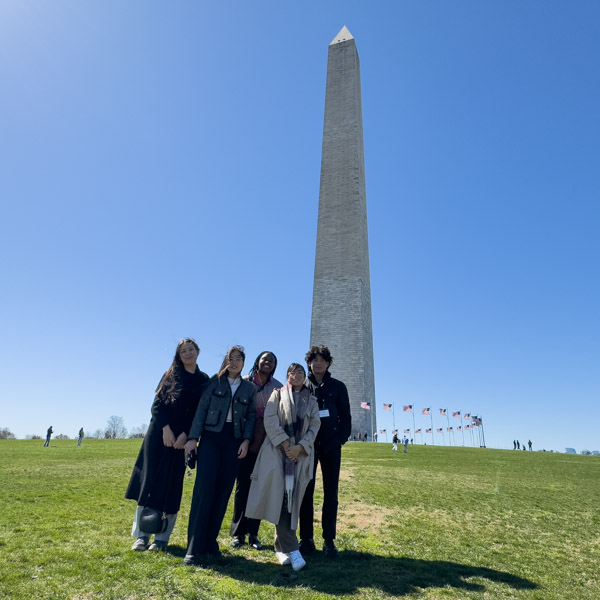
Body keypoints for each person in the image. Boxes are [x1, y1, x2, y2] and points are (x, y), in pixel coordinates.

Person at [125, 338, 209, 552]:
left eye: (191, 349)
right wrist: (165, 429)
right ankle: (141, 536)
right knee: (149, 484)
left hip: (182, 441)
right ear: (178, 355)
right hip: (158, 436)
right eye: (183, 351)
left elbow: (201, 413)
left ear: (198, 352)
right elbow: (156, 405)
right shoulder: (171, 374)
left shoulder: (203, 380)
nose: (188, 353)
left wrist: (187, 436)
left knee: (172, 486)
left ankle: (162, 538)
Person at [184, 346, 256, 566]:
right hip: (211, 439)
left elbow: (251, 416)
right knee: (204, 491)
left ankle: (210, 544)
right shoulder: (213, 383)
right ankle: (194, 548)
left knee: (223, 492)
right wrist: (192, 439)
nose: (234, 363)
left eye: (238, 359)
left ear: (244, 363)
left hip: (233, 442)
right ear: (225, 361)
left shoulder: (249, 388)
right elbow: (201, 411)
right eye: (230, 359)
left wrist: (246, 440)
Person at [246, 363, 321, 571]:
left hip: (300, 456)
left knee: (291, 499)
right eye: (291, 372)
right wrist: (286, 444)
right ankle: (293, 549)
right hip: (277, 453)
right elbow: (270, 420)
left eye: (299, 372)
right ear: (286, 376)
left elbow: (315, 426)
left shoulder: (312, 400)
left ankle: (280, 548)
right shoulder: (277, 395)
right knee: (281, 499)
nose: (294, 375)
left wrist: (300, 447)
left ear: (305, 377)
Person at [299, 345, 351, 558]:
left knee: (331, 493)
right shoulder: (302, 386)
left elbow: (346, 417)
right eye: (314, 360)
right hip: (308, 447)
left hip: (330, 445)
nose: (318, 363)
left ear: (328, 363)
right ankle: (306, 538)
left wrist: (340, 439)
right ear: (309, 363)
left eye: (322, 360)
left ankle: (329, 539)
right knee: (305, 492)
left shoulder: (338, 387)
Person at [230, 351, 282, 550]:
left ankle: (253, 534)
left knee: (258, 489)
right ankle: (238, 534)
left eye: (271, 360)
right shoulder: (244, 382)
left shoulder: (278, 387)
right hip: (244, 441)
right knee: (242, 487)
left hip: (265, 444)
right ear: (257, 361)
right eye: (265, 359)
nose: (267, 362)